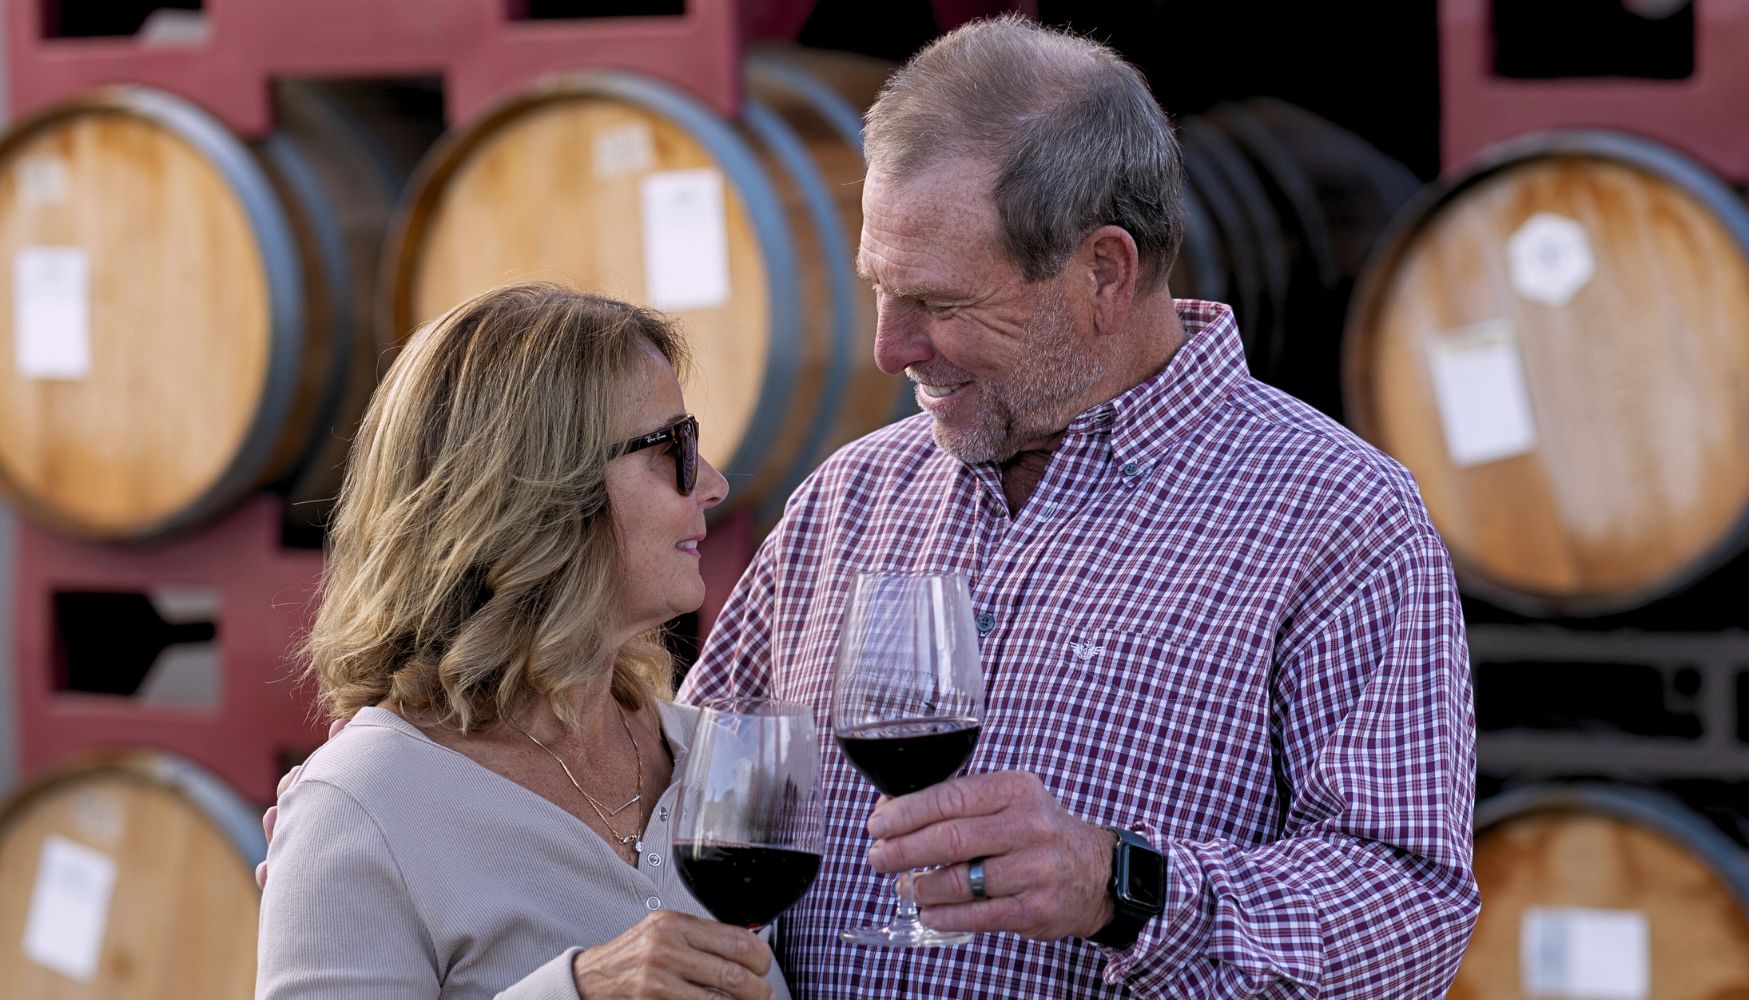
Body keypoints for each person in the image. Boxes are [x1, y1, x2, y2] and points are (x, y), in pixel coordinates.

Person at [676, 14, 1480, 999]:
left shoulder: (1336, 514)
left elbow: (1409, 916)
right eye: (880, 291)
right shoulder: (851, 496)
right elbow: (696, 797)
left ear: (1104, 271)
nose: (890, 347)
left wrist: (1124, 885)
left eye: (943, 302)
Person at [254, 283, 789, 999]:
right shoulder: (365, 805)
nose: (714, 484)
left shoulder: (711, 761)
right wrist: (579, 990)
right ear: (535, 490)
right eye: (673, 447)